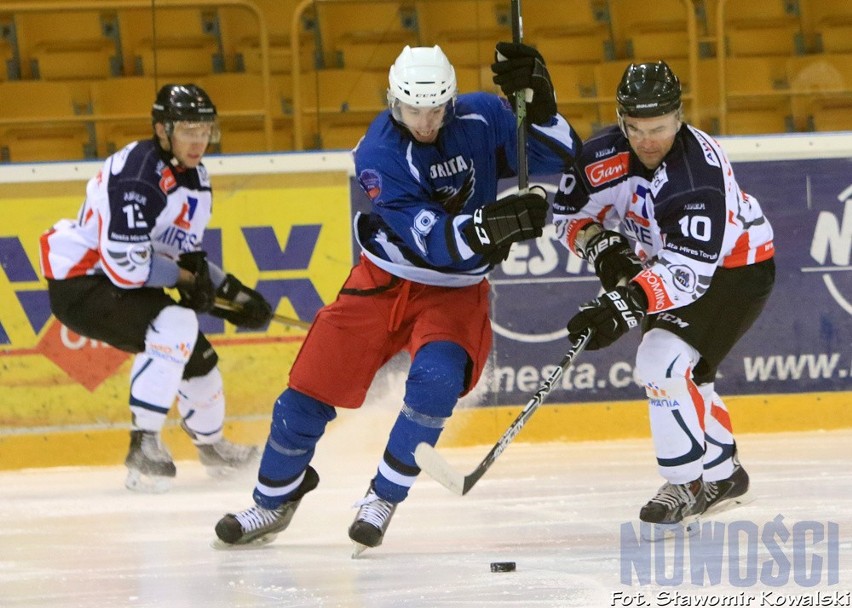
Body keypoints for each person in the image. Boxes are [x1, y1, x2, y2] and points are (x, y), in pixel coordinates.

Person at [215, 43, 581, 554]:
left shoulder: (483, 113)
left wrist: (541, 108)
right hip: (382, 282)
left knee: (435, 384)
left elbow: (560, 156)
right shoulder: (378, 154)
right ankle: (273, 499)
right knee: (303, 397)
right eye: (414, 110)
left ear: (450, 102)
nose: (426, 122)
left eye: (435, 109)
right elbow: (433, 240)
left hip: (453, 295)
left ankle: (383, 497)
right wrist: (493, 223)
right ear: (394, 102)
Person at [555, 61, 775, 528]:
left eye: (658, 127)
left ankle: (687, 483)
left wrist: (624, 303)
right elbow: (567, 214)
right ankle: (724, 474)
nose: (647, 139)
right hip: (673, 264)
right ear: (621, 121)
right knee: (682, 371)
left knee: (661, 360)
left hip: (736, 271)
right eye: (635, 127)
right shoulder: (603, 158)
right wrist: (601, 248)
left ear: (679, 117)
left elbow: (691, 274)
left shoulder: (695, 175)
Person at [39, 84, 272, 493]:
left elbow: (183, 255)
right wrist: (192, 287)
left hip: (117, 279)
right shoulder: (138, 175)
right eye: (187, 129)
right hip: (82, 284)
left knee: (197, 357)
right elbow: (127, 267)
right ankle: (143, 444)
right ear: (163, 130)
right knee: (178, 322)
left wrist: (233, 294)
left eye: (205, 130)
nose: (199, 140)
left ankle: (212, 448)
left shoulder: (193, 175)